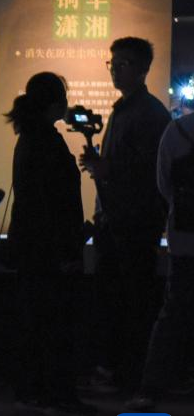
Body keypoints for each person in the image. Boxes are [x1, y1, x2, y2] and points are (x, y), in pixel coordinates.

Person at [80, 37, 172, 392]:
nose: (115, 71)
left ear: (143, 70)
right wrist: (104, 167)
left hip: (133, 224)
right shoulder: (125, 109)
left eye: (123, 64)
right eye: (113, 64)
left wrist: (108, 170)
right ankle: (117, 371)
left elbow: (152, 172)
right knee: (115, 299)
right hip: (115, 221)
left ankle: (129, 375)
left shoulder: (149, 114)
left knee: (131, 302)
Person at [5, 73, 95, 416]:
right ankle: (55, 393)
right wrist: (68, 247)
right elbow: (54, 202)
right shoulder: (45, 141)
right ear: (56, 103)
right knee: (55, 322)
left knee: (35, 319)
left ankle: (33, 389)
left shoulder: (30, 137)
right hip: (50, 249)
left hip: (34, 246)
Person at [127, 109, 194, 409]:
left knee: (173, 313)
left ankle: (151, 387)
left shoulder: (177, 131)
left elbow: (163, 185)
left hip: (185, 237)